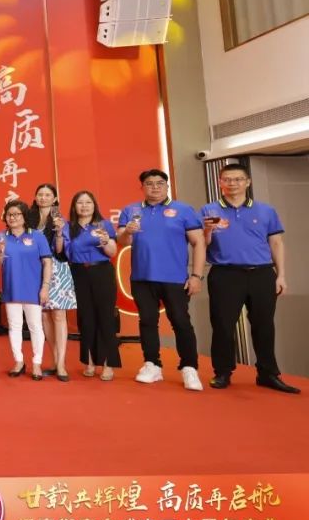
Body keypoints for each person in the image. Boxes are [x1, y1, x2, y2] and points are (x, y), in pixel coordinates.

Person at [202, 163, 298, 394]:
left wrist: (281, 275)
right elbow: (201, 244)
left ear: (247, 182)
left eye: (238, 179)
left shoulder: (265, 211)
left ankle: (268, 374)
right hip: (225, 274)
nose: (232, 183)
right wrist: (207, 230)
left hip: (262, 273)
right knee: (223, 325)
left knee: (264, 325)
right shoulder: (209, 210)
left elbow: (276, 243)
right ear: (220, 183)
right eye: (227, 179)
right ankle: (223, 372)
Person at [116, 168, 206, 391]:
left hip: (175, 278)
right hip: (142, 277)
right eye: (149, 183)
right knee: (147, 321)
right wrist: (127, 231)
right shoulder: (131, 210)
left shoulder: (183, 210)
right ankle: (152, 364)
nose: (154, 187)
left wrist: (196, 275)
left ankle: (189, 367)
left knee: (180, 321)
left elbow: (198, 243)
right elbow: (123, 241)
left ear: (167, 186)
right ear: (142, 187)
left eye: (159, 183)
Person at [58, 190, 120, 381]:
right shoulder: (68, 227)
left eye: (88, 202)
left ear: (94, 205)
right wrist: (59, 233)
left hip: (101, 271)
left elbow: (112, 252)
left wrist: (105, 242)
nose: (84, 206)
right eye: (80, 203)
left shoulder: (103, 225)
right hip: (78, 273)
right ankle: (90, 361)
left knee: (105, 317)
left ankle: (108, 363)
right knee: (86, 318)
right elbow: (62, 253)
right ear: (74, 206)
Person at [0, 199, 51, 380]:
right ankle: (19, 361)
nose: (12, 218)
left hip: (33, 288)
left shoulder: (37, 236)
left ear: (25, 216)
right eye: (9, 215)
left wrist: (45, 287)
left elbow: (47, 262)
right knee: (14, 326)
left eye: (17, 214)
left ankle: (37, 362)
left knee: (35, 326)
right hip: (11, 287)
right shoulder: (0, 237)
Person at [26, 183, 75, 381]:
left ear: (54, 199)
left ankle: (61, 364)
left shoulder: (60, 220)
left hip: (57, 268)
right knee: (44, 316)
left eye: (48, 195)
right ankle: (54, 360)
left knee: (59, 315)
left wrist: (60, 232)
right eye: (40, 194)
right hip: (34, 268)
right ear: (35, 197)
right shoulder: (28, 218)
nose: (43, 198)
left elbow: (61, 250)